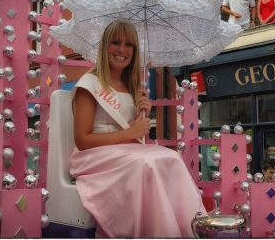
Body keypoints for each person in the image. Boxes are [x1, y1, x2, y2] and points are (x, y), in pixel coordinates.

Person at [69, 20, 207, 237]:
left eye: (129, 44)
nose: (122, 50)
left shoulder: (131, 86)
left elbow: (130, 131)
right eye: (115, 43)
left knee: (171, 158)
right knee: (148, 163)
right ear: (105, 47)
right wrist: (130, 133)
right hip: (93, 157)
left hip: (122, 152)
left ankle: (189, 229)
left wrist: (141, 113)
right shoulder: (89, 84)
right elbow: (82, 140)